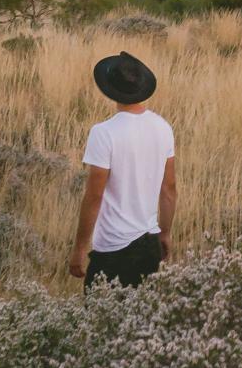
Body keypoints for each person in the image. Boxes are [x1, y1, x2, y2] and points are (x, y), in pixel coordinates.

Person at [71, 50, 175, 289]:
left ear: (110, 90)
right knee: (142, 321)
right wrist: (165, 233)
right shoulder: (163, 127)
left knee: (100, 320)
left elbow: (94, 196)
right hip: (149, 242)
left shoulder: (104, 133)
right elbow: (169, 189)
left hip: (113, 248)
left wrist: (79, 248)